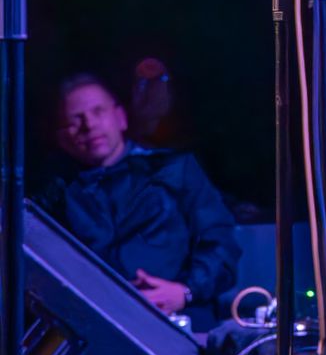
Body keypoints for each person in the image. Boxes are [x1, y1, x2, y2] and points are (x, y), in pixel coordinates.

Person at [40, 73, 240, 330]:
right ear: (62, 138)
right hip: (102, 331)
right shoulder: (55, 198)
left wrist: (185, 291)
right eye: (75, 119)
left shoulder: (175, 170)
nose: (89, 125)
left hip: (185, 323)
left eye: (98, 111)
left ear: (121, 118)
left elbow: (221, 242)